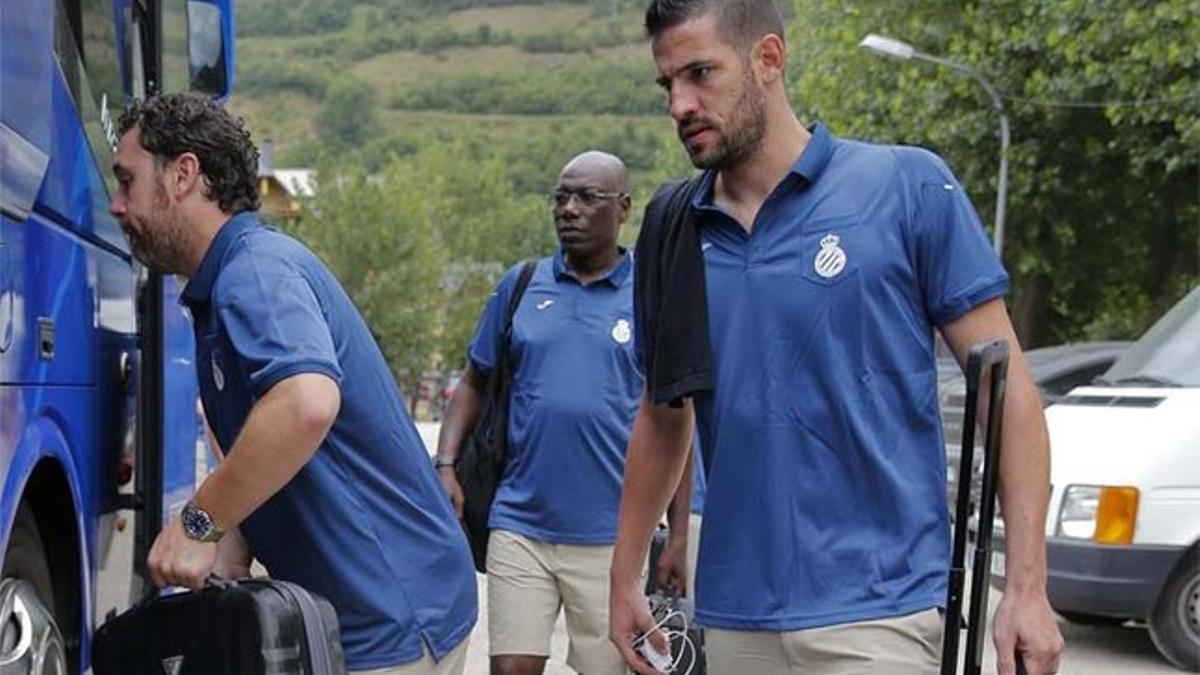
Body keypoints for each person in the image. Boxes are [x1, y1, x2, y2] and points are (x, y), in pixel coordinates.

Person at [607, 2, 1065, 674]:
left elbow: (1008, 393)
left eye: (700, 73)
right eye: (668, 84)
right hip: (735, 618)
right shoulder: (674, 230)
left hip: (882, 609)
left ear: (768, 59)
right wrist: (623, 577)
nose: (681, 103)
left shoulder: (905, 187)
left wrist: (1026, 587)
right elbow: (662, 412)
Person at [110, 93, 477, 675]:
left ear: (183, 174)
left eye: (127, 181)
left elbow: (305, 402)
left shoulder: (254, 271)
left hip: (391, 616)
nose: (116, 205)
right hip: (376, 606)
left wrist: (198, 521)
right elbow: (263, 445)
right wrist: (229, 550)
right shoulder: (224, 283)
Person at [435, 151, 691, 675]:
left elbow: (675, 422)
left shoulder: (651, 295)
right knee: (510, 668)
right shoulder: (522, 286)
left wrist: (678, 536)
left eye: (586, 198)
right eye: (561, 197)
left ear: (622, 208)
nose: (568, 209)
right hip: (519, 525)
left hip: (613, 539)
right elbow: (472, 381)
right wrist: (445, 465)